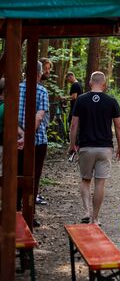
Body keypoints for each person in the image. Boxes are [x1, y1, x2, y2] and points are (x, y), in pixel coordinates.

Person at [68, 71, 120, 224]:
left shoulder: (81, 99)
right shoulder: (111, 101)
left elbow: (74, 125)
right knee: (100, 183)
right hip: (105, 148)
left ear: (90, 83)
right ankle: (95, 218)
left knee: (85, 180)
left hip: (86, 147)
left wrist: (72, 145)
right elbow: (119, 126)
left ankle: (86, 211)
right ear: (104, 84)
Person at [17, 61, 49, 224]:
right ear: (39, 73)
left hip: (16, 141)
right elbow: (39, 116)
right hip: (37, 141)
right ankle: (29, 213)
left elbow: (9, 114)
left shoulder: (15, 88)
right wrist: (28, 136)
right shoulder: (42, 91)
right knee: (34, 177)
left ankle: (15, 210)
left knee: (17, 174)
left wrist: (21, 134)